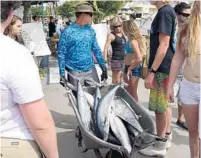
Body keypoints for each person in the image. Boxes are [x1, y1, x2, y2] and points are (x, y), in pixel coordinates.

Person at [0, 1, 59, 158]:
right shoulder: (14, 54)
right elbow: (40, 123)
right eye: (18, 26)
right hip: (10, 139)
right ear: (10, 14)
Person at [140, 0, 176, 156]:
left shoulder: (164, 12)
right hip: (164, 66)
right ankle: (166, 137)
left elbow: (164, 44)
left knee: (159, 108)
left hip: (161, 68)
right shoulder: (166, 12)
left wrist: (152, 71)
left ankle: (159, 144)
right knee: (164, 105)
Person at [167, 2, 200, 158]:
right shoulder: (186, 28)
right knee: (192, 132)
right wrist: (169, 86)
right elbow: (177, 59)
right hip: (188, 87)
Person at [58, 3, 107, 88]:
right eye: (90, 14)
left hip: (90, 70)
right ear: (83, 14)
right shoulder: (68, 31)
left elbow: (97, 50)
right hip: (74, 71)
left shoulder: (90, 31)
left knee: (97, 96)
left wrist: (103, 68)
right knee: (78, 99)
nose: (92, 17)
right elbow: (61, 53)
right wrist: (62, 74)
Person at [173, 1, 191, 130]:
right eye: (185, 15)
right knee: (167, 100)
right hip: (172, 69)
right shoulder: (171, 28)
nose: (187, 18)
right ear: (177, 14)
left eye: (189, 15)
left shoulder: (189, 30)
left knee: (182, 97)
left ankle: (181, 118)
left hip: (185, 70)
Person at [122, 20, 144, 102]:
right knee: (128, 91)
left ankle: (137, 111)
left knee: (133, 92)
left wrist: (130, 68)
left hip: (133, 68)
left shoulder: (133, 42)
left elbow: (139, 59)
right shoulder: (129, 40)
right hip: (128, 67)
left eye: (123, 28)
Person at [103, 16, 126, 84]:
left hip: (124, 59)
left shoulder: (123, 33)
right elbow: (105, 48)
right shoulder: (111, 35)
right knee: (116, 81)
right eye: (116, 26)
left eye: (119, 26)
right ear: (113, 26)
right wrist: (105, 60)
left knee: (121, 80)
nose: (118, 28)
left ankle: (118, 93)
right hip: (116, 60)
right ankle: (114, 93)